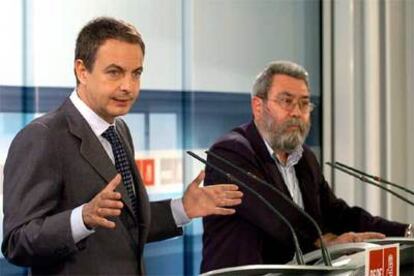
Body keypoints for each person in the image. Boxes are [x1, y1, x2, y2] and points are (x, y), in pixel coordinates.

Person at [1, 17, 243, 275]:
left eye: (136, 73)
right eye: (114, 72)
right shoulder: (42, 137)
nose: (128, 86)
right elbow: (17, 242)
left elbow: (123, 226)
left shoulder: (119, 130)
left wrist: (182, 209)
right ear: (82, 71)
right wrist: (81, 218)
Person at [200, 61, 411, 273]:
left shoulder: (304, 158)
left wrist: (406, 232)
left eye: (304, 103)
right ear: (258, 106)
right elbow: (276, 219)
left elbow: (337, 214)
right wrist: (325, 242)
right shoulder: (231, 152)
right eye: (286, 101)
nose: (297, 112)